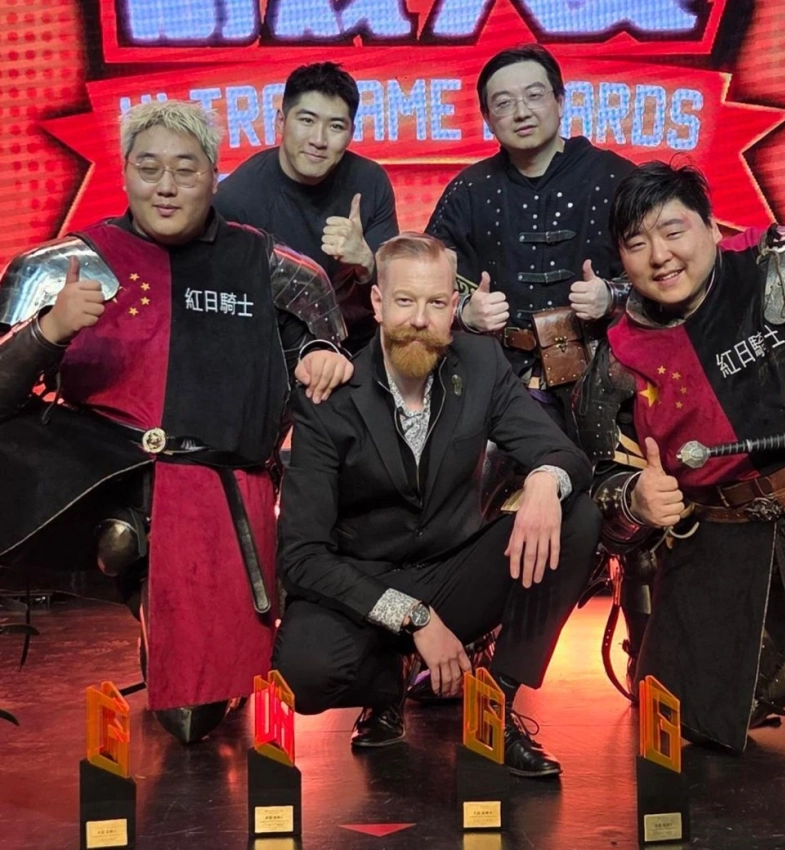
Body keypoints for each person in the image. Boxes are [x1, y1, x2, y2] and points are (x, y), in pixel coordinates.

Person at [0, 100, 352, 743]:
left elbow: (319, 355)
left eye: (185, 171)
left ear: (214, 176)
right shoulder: (60, 266)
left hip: (230, 492)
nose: (166, 186)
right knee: (123, 542)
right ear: (125, 172)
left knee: (199, 710)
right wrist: (48, 331)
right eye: (149, 168)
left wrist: (322, 355)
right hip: (113, 486)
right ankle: (142, 592)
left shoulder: (278, 271)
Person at [273, 233, 600, 776]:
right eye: (405, 301)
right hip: (366, 585)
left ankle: (495, 700)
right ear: (378, 303)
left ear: (454, 307)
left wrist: (544, 481)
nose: (420, 320)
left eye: (435, 303)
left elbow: (564, 454)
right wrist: (415, 620)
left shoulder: (481, 364)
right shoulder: (331, 397)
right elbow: (302, 557)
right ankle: (390, 685)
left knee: (577, 514)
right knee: (302, 675)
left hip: (453, 571)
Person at [574, 161, 785, 752]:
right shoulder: (617, 358)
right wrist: (635, 500)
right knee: (683, 720)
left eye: (673, 231)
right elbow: (598, 493)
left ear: (710, 225)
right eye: (637, 243)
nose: (660, 256)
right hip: (730, 536)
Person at [425, 44, 645, 694]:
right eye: (503, 102)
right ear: (487, 118)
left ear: (559, 99)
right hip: (500, 383)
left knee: (637, 516)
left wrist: (613, 295)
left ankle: (652, 661)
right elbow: (424, 280)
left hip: (604, 381)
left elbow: (672, 268)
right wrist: (465, 310)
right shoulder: (469, 190)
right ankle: (448, 658)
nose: (520, 111)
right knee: (457, 515)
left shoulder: (615, 178)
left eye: (533, 95)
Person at [216, 62, 399, 354]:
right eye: (306, 120)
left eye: (336, 126)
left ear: (351, 133)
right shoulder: (236, 199)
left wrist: (366, 263)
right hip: (276, 354)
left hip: (359, 349)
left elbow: (396, 296)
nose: (318, 140)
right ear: (280, 122)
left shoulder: (370, 181)